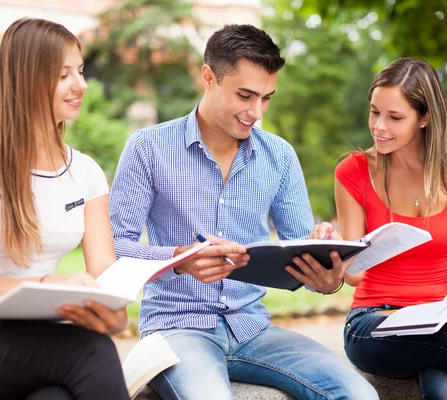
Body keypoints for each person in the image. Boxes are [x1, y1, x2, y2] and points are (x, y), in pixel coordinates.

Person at [109, 24, 377, 400]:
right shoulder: (147, 148)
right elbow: (114, 248)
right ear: (208, 77)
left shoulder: (279, 156)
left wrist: (326, 274)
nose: (256, 112)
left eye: (266, 98)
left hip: (254, 328)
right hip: (177, 328)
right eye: (245, 95)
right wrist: (178, 259)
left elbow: (299, 245)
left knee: (360, 395)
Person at [0, 18, 129, 399]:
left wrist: (110, 315)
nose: (81, 85)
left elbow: (107, 279)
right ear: (28, 79)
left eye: (80, 71)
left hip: (28, 339)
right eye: (64, 75)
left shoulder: (87, 173)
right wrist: (47, 284)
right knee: (90, 351)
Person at [334, 57, 447, 399]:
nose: (379, 126)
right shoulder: (353, 171)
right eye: (374, 112)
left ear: (425, 118)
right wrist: (333, 251)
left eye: (395, 117)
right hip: (372, 323)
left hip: (440, 322)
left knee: (445, 391)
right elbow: (352, 275)